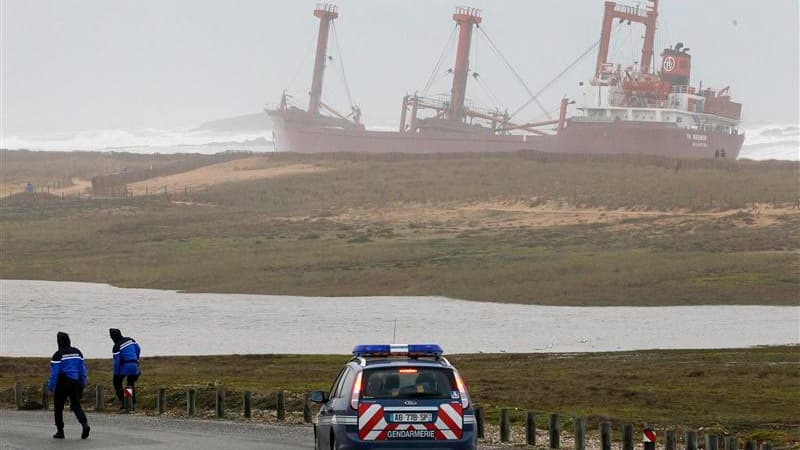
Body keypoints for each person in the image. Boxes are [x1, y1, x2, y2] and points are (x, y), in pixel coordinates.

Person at [48, 332, 90, 439]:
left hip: (63, 382)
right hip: (75, 382)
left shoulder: (58, 354)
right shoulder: (77, 352)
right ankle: (84, 424)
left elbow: (54, 373)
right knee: (76, 405)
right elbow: (83, 370)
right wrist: (83, 383)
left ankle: (60, 431)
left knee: (58, 407)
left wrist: (51, 386)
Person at [109, 328, 141, 410]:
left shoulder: (116, 346)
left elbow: (117, 362)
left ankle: (124, 402)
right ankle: (131, 403)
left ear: (112, 337)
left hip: (125, 366)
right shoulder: (130, 340)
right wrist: (137, 360)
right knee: (130, 384)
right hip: (134, 365)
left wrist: (116, 373)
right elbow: (138, 348)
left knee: (117, 383)